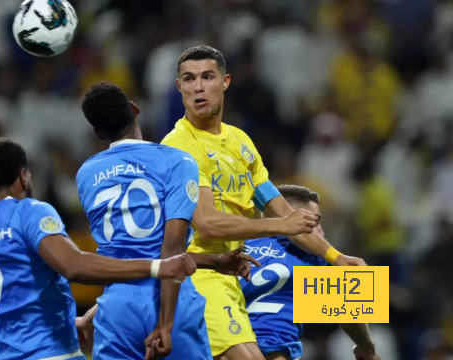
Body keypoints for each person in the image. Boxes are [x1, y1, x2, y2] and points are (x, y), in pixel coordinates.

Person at [160, 45, 367, 360]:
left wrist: (337, 257)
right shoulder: (179, 145)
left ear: (225, 81)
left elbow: (284, 211)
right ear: (179, 87)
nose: (198, 87)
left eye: (207, 77)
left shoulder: (241, 142)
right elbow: (208, 224)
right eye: (189, 79)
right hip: (198, 277)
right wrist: (367, 349)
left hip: (230, 281)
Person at [0, 138, 200, 360]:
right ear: (24, 176)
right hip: (54, 354)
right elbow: (74, 266)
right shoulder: (28, 212)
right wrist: (155, 266)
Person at [74, 82, 261, 360]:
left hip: (116, 306)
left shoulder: (86, 174)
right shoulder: (178, 161)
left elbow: (134, 252)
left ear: (97, 132)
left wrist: (212, 261)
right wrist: (165, 323)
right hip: (171, 298)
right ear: (135, 109)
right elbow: (170, 248)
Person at [241, 185, 380, 360]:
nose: (321, 230)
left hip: (221, 346)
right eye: (316, 221)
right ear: (297, 218)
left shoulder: (233, 248)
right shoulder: (311, 257)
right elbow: (352, 314)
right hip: (272, 350)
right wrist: (367, 348)